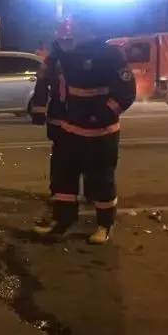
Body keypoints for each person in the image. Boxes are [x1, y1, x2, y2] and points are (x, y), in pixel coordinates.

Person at [30, 37, 136, 245]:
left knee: (100, 181)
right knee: (63, 180)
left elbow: (126, 93)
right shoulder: (63, 55)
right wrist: (49, 116)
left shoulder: (110, 54)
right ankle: (63, 221)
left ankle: (104, 225)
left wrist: (101, 115)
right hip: (69, 130)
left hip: (101, 133)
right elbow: (52, 87)